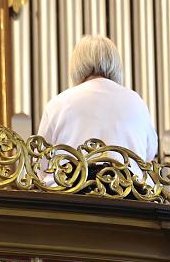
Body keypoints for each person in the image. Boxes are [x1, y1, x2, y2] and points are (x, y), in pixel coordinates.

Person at [37, 35, 158, 185]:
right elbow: (148, 157)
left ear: (76, 65)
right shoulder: (137, 103)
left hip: (69, 202)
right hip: (129, 199)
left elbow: (40, 165)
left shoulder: (59, 103)